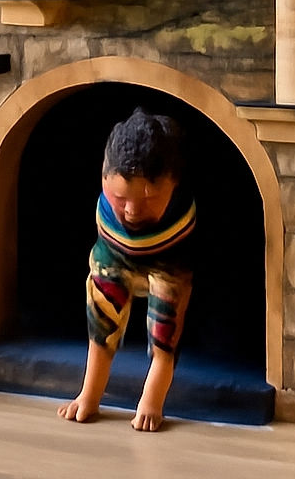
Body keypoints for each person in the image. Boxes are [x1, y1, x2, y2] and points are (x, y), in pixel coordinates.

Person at [57, 107, 195, 432]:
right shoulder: (108, 207)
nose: (132, 210)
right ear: (103, 176)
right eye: (120, 197)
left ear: (173, 185)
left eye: (149, 198)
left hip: (168, 262)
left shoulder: (180, 207)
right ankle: (90, 394)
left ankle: (152, 397)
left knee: (164, 334)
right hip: (114, 255)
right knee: (101, 322)